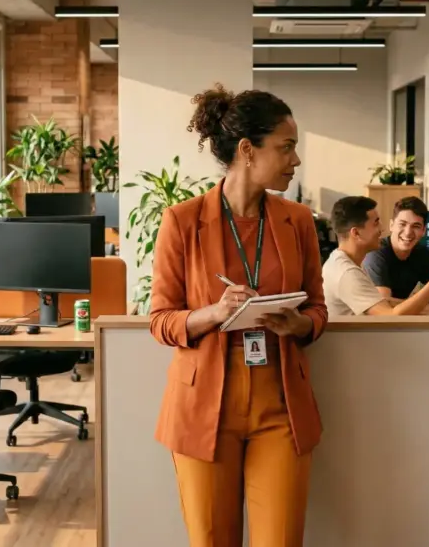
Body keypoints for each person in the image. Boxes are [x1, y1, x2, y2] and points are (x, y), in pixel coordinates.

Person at [147, 83, 328, 547]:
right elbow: (161, 320)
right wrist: (212, 313)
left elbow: (317, 307)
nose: (296, 159)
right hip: (203, 407)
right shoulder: (182, 221)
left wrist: (302, 324)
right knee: (211, 540)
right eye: (286, 147)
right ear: (248, 150)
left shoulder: (299, 221)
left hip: (281, 406)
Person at [322, 195, 429, 316]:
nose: (381, 228)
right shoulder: (348, 273)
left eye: (416, 226)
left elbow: (383, 305)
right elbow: (389, 316)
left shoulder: (345, 264)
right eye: (375, 223)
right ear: (356, 233)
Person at [362, 196, 429, 313]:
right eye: (402, 224)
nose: (408, 232)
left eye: (416, 226)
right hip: (368, 325)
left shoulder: (421, 253)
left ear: (423, 231)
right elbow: (385, 303)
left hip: (400, 322)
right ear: (391, 225)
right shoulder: (376, 254)